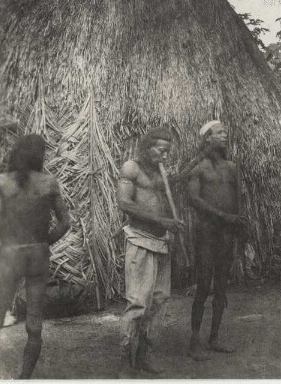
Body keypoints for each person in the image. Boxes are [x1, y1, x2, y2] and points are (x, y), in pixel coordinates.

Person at [0, 134, 70, 379]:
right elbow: (64, 223)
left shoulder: (2, 183)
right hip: (38, 255)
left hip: (10, 254)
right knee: (34, 323)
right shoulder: (49, 183)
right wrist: (44, 242)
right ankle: (24, 379)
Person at [116, 128, 185, 377]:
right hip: (140, 240)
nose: (165, 155)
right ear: (147, 147)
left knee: (158, 299)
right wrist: (162, 221)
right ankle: (126, 360)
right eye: (161, 150)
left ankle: (143, 355)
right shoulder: (131, 167)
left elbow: (163, 202)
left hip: (161, 241)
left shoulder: (162, 172)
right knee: (137, 303)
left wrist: (169, 226)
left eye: (168, 151)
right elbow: (125, 203)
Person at [187, 121, 247, 360]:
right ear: (207, 139)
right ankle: (194, 342)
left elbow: (237, 199)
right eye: (220, 132)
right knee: (203, 285)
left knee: (221, 287)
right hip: (207, 233)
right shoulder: (198, 168)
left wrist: (238, 226)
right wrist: (223, 216)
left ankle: (214, 338)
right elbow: (193, 199)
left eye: (226, 132)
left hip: (226, 234)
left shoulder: (232, 167)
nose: (225, 136)